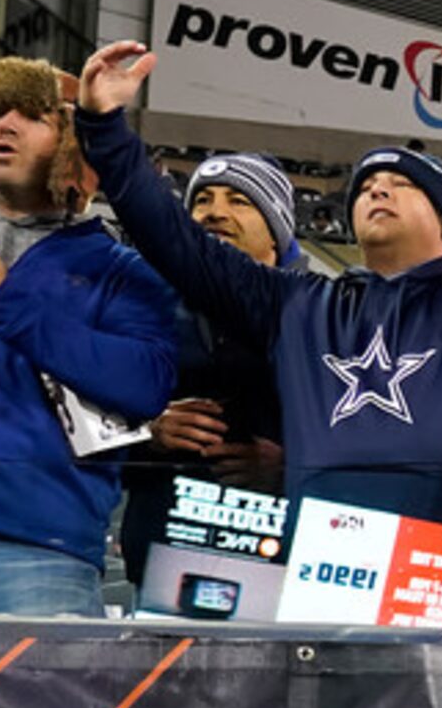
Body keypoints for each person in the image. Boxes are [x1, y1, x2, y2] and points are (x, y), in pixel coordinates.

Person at [77, 37, 442, 539]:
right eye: (364, 188)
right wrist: (105, 129)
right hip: (324, 581)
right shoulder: (298, 304)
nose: (377, 189)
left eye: (401, 184)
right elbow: (177, 242)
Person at [0, 55, 176, 615]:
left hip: (36, 552)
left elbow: (145, 383)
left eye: (31, 115)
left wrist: (3, 300)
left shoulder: (122, 270)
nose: (4, 126)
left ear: (75, 148)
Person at [118, 151, 305, 588]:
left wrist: (291, 471)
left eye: (239, 200)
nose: (215, 212)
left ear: (277, 234)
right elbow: (81, 434)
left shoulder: (321, 318)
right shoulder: (140, 310)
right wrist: (149, 433)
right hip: (161, 562)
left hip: (282, 564)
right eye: (202, 200)